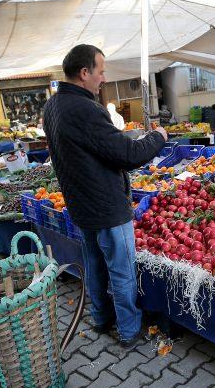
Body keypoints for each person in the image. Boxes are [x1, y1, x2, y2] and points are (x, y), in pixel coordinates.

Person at [43, 44, 168, 348]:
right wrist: (158, 137)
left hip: (81, 205)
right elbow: (127, 154)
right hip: (106, 207)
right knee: (122, 270)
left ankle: (101, 318)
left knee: (95, 265)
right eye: (101, 71)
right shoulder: (85, 109)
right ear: (84, 73)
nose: (103, 77)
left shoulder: (53, 106)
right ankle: (128, 330)